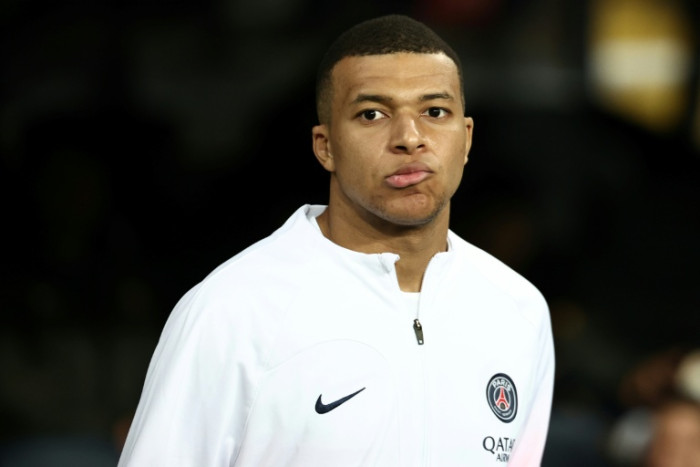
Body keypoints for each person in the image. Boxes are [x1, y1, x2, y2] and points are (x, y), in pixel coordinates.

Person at [118, 14, 555, 466]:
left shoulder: (519, 311)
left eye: (434, 112)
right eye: (372, 114)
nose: (410, 138)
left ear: (465, 138)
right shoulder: (232, 311)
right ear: (325, 146)